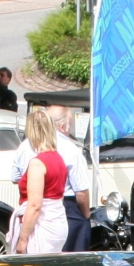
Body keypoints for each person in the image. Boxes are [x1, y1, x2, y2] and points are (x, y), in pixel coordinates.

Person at [12, 104, 89, 252]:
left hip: (42, 224)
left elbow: (35, 205)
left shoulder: (37, 162)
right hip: (58, 218)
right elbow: (77, 191)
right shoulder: (59, 157)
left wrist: (23, 239)